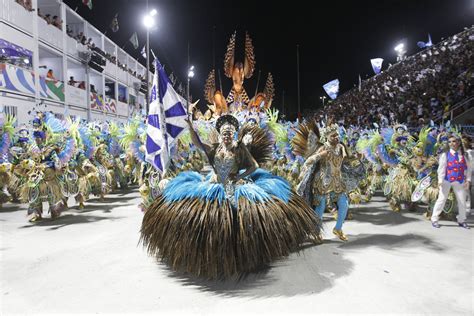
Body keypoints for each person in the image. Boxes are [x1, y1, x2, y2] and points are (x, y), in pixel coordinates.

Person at [140, 114, 321, 279]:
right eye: (224, 132)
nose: (226, 135)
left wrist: (240, 177)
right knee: (206, 216)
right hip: (215, 184)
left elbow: (254, 167)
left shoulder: (239, 149)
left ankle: (243, 253)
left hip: (235, 185)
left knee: (239, 216)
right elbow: (198, 143)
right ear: (220, 134)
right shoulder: (215, 148)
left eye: (229, 132)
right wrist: (190, 128)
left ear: (233, 134)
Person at [431, 134, 472, 228]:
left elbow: (469, 169)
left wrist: (468, 180)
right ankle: (434, 219)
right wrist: (440, 180)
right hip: (447, 180)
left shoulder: (465, 155)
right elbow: (441, 168)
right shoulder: (445, 154)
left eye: (454, 141)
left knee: (462, 201)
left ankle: (461, 220)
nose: (452, 143)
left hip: (460, 181)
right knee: (441, 199)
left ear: (458, 142)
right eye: (449, 142)